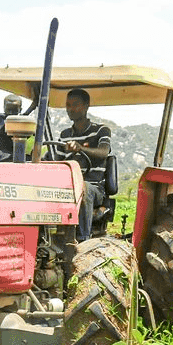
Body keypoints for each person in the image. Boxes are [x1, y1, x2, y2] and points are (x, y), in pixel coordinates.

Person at [59, 88, 111, 241]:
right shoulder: (65, 135)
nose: (70, 109)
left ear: (86, 106)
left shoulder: (101, 131)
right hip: (69, 186)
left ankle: (83, 239)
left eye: (75, 104)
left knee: (83, 186)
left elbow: (104, 152)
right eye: (68, 105)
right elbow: (58, 160)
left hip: (94, 189)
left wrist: (81, 148)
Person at [0, 93, 24, 162]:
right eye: (8, 109)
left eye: (14, 110)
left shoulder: (20, 122)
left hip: (13, 156)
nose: (10, 113)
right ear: (4, 107)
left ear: (20, 110)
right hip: (1, 158)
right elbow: (10, 125)